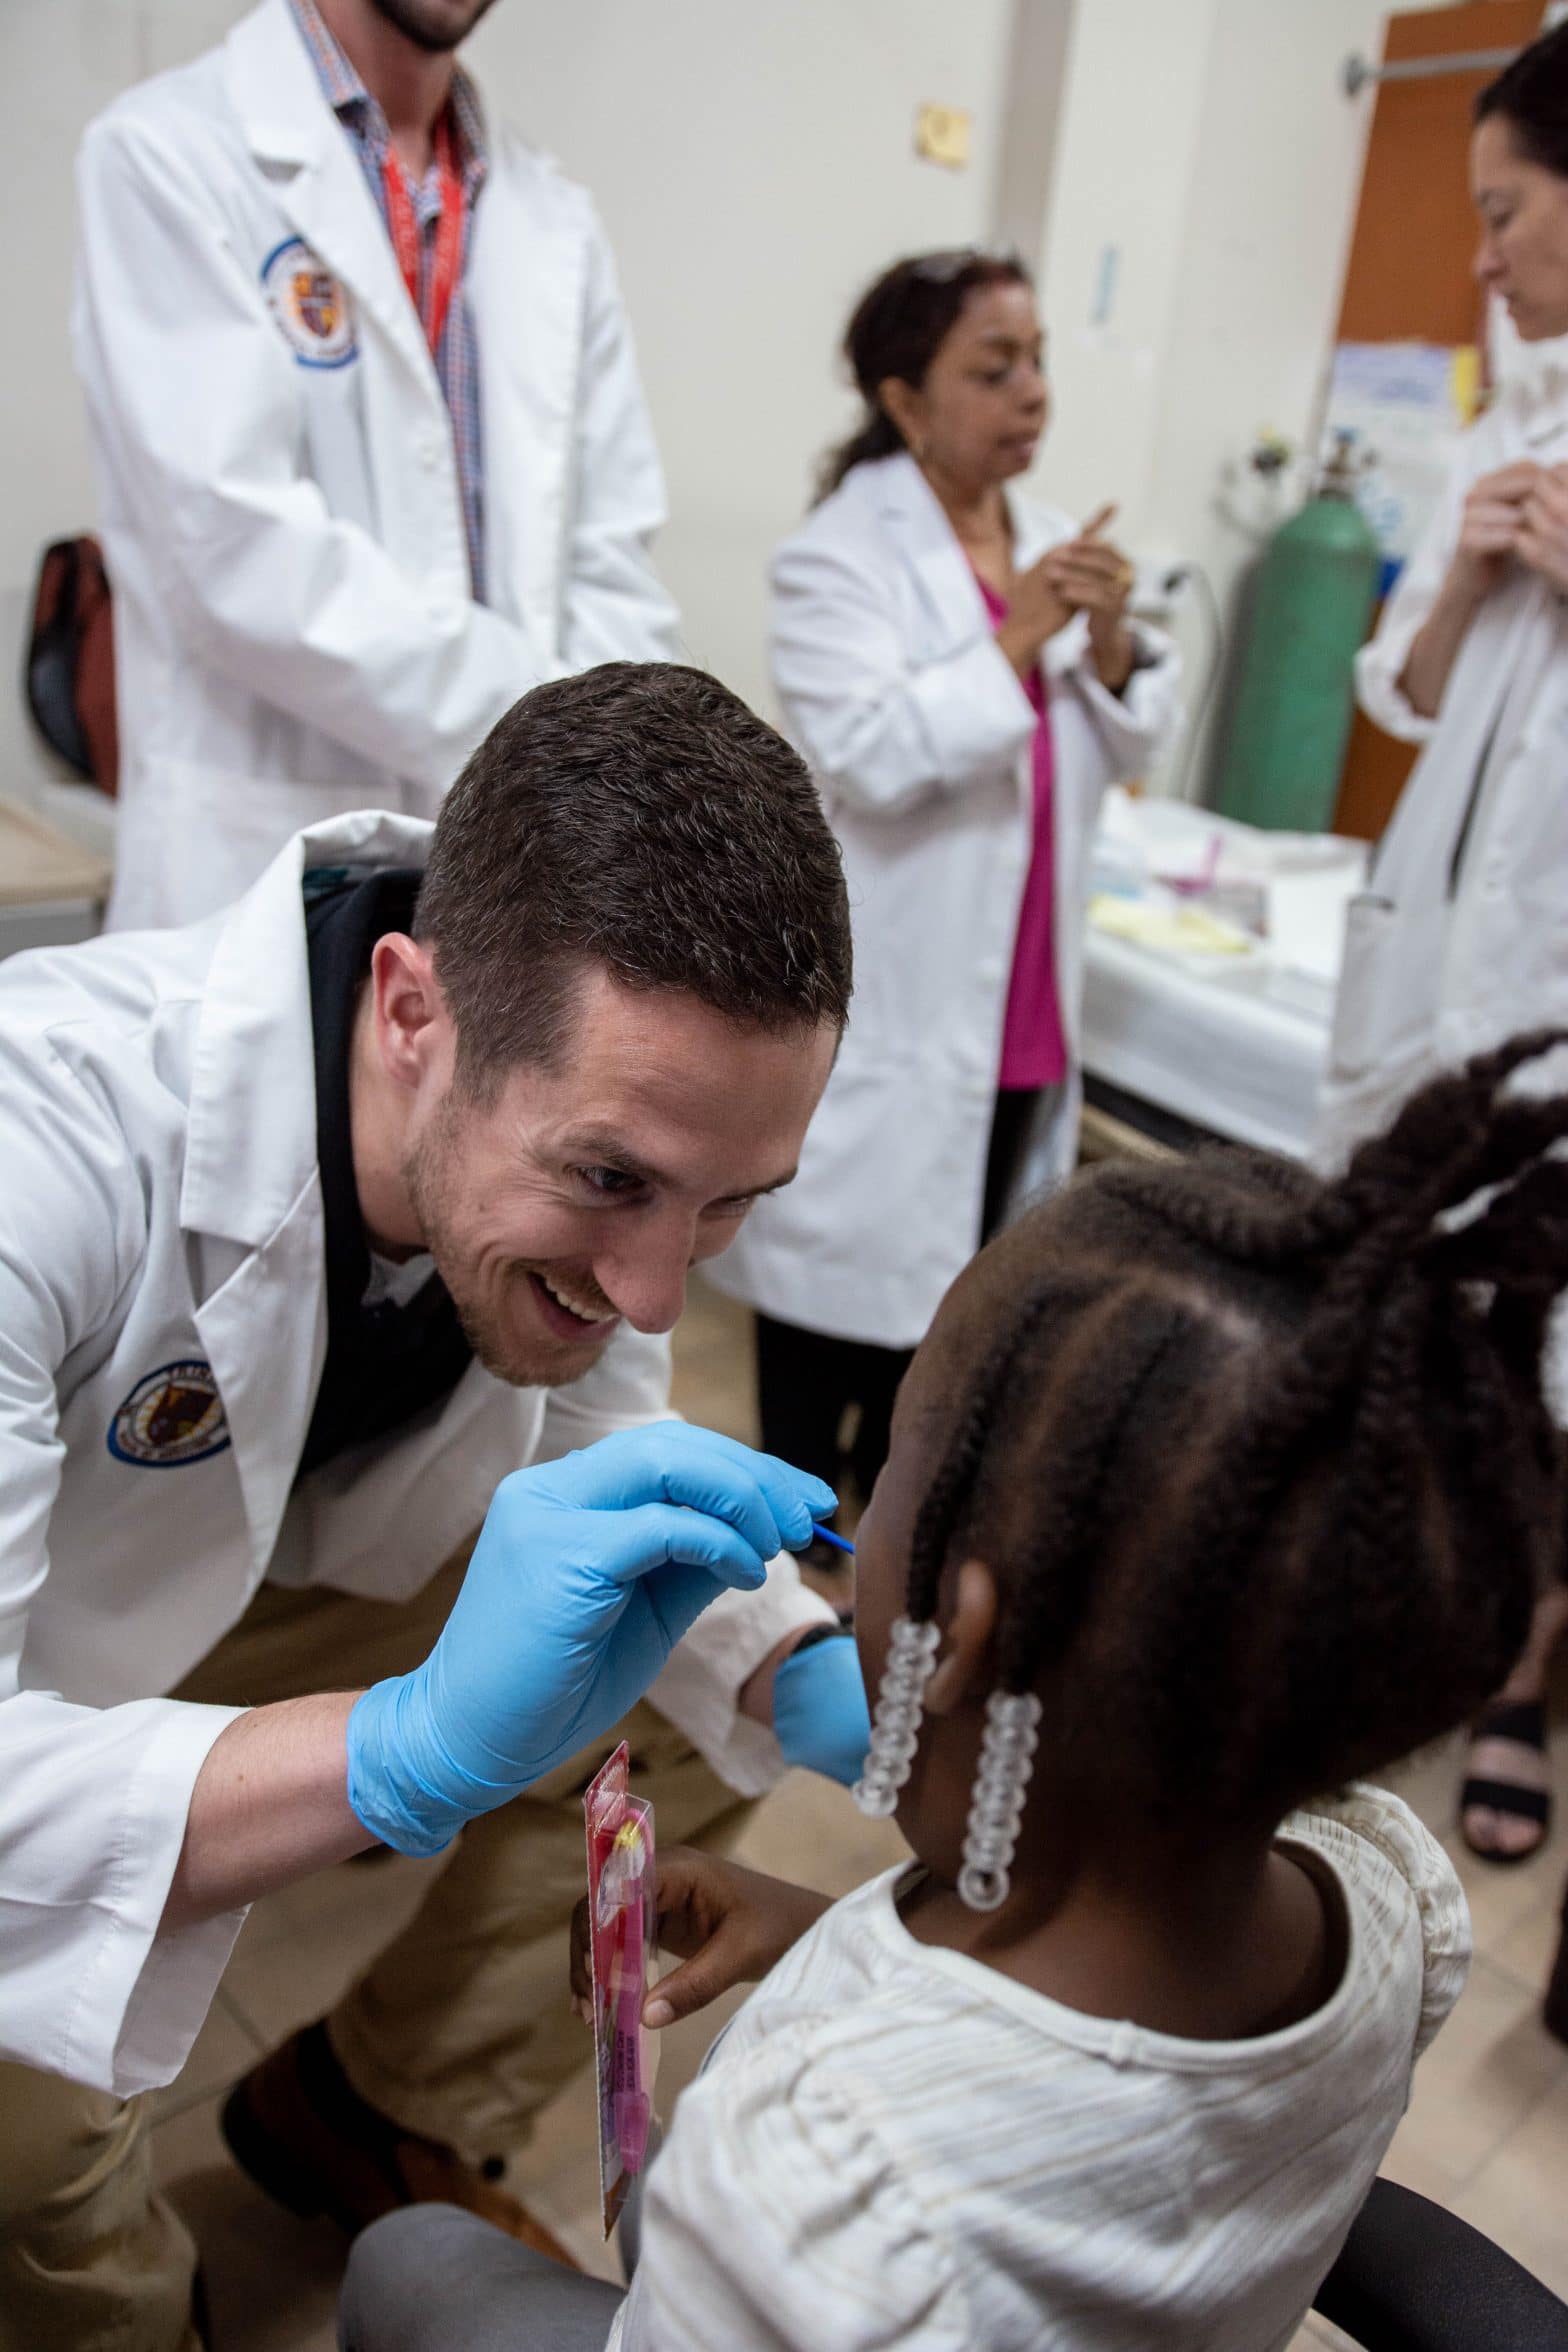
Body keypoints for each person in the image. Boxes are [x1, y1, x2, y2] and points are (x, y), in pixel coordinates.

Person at [341, 1029, 1568, 2352]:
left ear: (967, 1629)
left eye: (908, 1456)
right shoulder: (1386, 1887)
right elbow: (1117, 2094)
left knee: (406, 2265)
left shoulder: (831, 2195)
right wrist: (838, 1945)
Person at [0, 661, 872, 2352]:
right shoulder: (46, 1150)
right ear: (413, 1011)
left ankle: (370, 2100)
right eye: (609, 1179)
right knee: (36, 2152)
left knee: (692, 1678)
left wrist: (838, 1692)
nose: (648, 1294)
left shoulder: (559, 1157)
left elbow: (598, 1450)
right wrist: (398, 1750)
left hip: (241, 1579)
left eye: (724, 1208)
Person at [708, 248, 1179, 1519]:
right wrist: (1019, 630)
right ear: (905, 399)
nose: (1031, 392)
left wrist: (1115, 643)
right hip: (900, 1002)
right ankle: (791, 1567)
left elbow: (1118, 739)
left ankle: (890, 1561)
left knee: (956, 1318)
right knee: (826, 1326)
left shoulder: (1045, 534)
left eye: (1036, 363)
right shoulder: (835, 556)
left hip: (1020, 1008)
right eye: (994, 367)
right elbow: (869, 751)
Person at [73, 0, 680, 932]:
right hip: (259, 878)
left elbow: (613, 560)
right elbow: (238, 556)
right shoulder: (170, 153)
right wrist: (561, 742)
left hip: (512, 893)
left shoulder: (553, 217)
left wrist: (590, 771)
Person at [1319, 25, 1568, 1875]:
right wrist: (1468, 569)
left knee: (1541, 1380)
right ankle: (1388, 1637)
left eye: (1500, 211)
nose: (1475, 256)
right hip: (1445, 983)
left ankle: (1518, 1691)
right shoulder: (1507, 414)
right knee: (1414, 1319)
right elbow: (1389, 691)